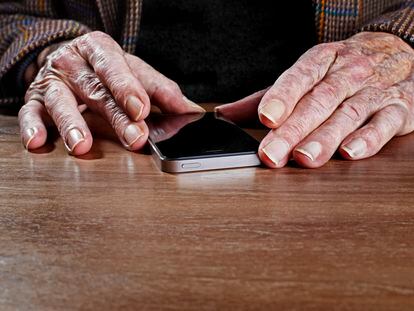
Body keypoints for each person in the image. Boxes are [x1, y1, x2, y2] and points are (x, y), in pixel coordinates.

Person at [0, 0, 413, 168]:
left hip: (347, 149)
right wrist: (51, 51)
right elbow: (11, 12)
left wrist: (400, 41)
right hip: (117, 140)